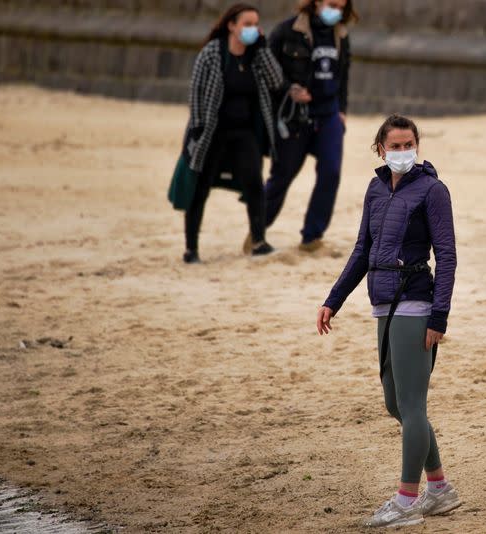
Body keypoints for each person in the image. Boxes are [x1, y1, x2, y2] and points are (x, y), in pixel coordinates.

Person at [316, 115, 461, 527]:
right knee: (395, 404)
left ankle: (405, 501)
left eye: (408, 144)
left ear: (417, 145)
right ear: (380, 148)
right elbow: (363, 249)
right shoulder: (376, 188)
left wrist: (440, 316)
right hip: (382, 303)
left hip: (416, 302)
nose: (402, 152)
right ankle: (440, 489)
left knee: (413, 405)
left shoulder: (433, 191)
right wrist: (334, 299)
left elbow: (447, 256)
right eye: (394, 146)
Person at [180, 3, 284, 263]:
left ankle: (259, 241)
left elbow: (276, 81)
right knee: (200, 187)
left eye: (255, 25)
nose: (252, 30)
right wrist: (198, 126)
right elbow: (196, 92)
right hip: (212, 132)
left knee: (254, 185)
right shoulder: (212, 53)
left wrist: (262, 49)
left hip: (245, 132)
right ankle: (191, 249)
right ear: (231, 25)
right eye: (247, 24)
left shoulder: (256, 54)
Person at [250, 0, 356, 253]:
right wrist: (290, 89)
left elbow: (343, 76)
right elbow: (265, 70)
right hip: (294, 117)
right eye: (332, 4)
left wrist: (341, 110)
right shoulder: (286, 31)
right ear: (317, 2)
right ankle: (257, 232)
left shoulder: (341, 34)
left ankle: (312, 238)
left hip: (328, 114)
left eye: (341, 7)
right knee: (282, 175)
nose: (336, 11)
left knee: (331, 173)